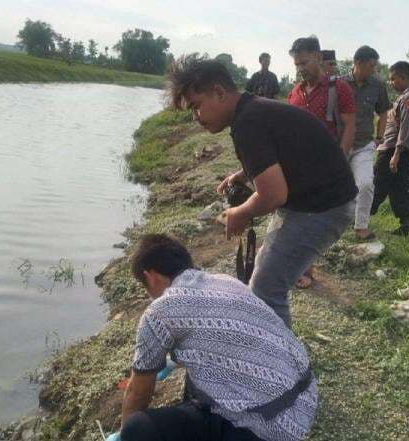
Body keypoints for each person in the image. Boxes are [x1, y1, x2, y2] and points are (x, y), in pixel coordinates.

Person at [168, 55, 356, 327]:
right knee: (264, 271)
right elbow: (281, 154)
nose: (196, 117)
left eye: (196, 106)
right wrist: (242, 174)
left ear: (219, 92)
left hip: (322, 207)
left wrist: (240, 213)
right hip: (316, 199)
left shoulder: (248, 122)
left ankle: (282, 365)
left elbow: (273, 195)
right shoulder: (252, 111)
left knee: (266, 289)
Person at [108, 234, 317, 441]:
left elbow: (138, 392)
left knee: (139, 428)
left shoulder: (159, 311)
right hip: (304, 400)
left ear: (150, 276)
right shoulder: (225, 281)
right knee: (196, 385)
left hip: (266, 427)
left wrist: (125, 434)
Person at [287, 37, 356, 288]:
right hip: (297, 166)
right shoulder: (294, 93)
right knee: (293, 214)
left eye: (304, 62)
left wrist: (341, 158)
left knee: (312, 219)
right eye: (297, 64)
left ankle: (306, 269)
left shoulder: (339, 89)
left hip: (326, 165)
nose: (300, 68)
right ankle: (292, 264)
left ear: (317, 57)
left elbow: (349, 125)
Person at [370, 61, 409, 236]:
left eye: (393, 79)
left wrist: (396, 154)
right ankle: (406, 226)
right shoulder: (407, 95)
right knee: (398, 188)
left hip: (393, 150)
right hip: (394, 148)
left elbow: (407, 128)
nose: (391, 82)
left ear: (403, 77)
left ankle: (360, 218)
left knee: (377, 183)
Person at [342, 46, 392, 240]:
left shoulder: (378, 86)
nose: (374, 70)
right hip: (340, 144)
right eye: (371, 66)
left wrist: (379, 137)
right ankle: (329, 220)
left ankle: (361, 227)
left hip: (364, 144)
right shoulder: (340, 84)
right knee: (335, 184)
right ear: (358, 63)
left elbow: (383, 113)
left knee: (365, 184)